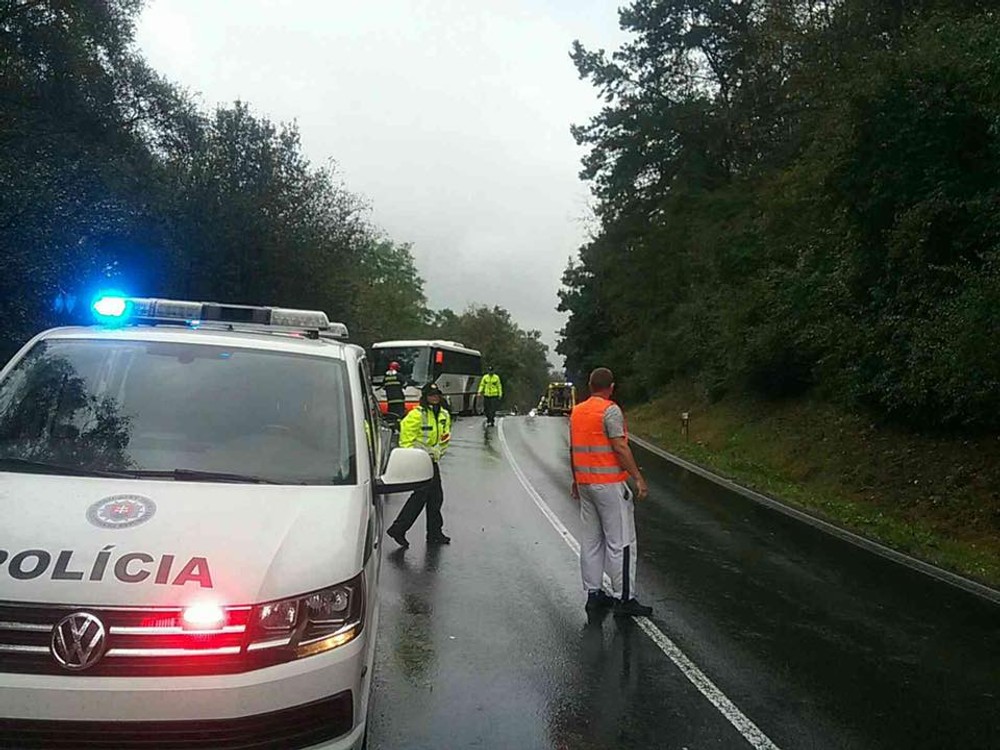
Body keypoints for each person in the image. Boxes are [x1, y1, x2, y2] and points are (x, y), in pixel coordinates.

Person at [569, 367, 653, 617]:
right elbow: (620, 447)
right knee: (621, 541)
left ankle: (594, 594)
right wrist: (637, 478)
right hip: (609, 485)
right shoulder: (610, 410)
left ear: (590, 386)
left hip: (585, 484)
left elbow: (573, 448)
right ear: (611, 387)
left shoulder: (577, 411)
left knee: (592, 541)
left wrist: (575, 479)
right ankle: (624, 598)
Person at [387, 382, 452, 548]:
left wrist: (439, 452)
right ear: (425, 397)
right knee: (423, 496)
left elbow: (445, 437)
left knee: (434, 497)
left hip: (432, 461)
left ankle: (432, 532)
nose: (434, 398)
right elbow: (406, 438)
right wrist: (411, 458)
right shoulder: (417, 415)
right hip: (419, 461)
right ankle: (400, 529)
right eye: (431, 395)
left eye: (436, 395)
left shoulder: (444, 414)